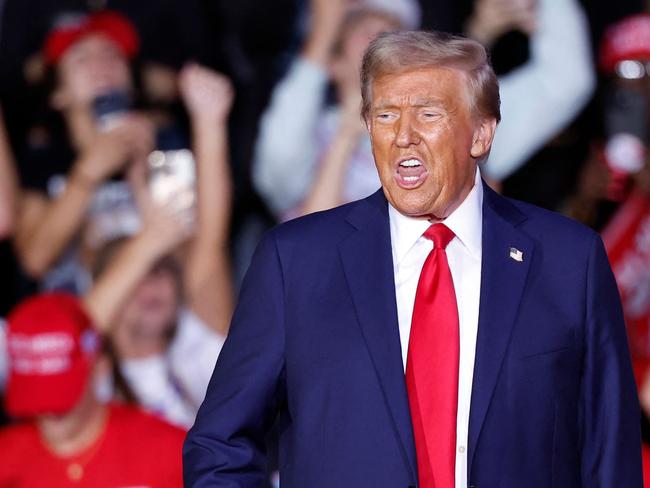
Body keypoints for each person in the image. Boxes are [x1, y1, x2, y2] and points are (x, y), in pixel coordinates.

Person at [184, 30, 642, 487]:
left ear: (481, 134)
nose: (403, 136)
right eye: (385, 115)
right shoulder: (298, 262)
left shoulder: (568, 260)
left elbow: (609, 451)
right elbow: (220, 444)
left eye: (428, 114)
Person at [0, 292, 185, 486]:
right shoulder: (6, 458)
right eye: (34, 394)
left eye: (59, 391)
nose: (48, 411)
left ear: (100, 364)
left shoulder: (166, 449)